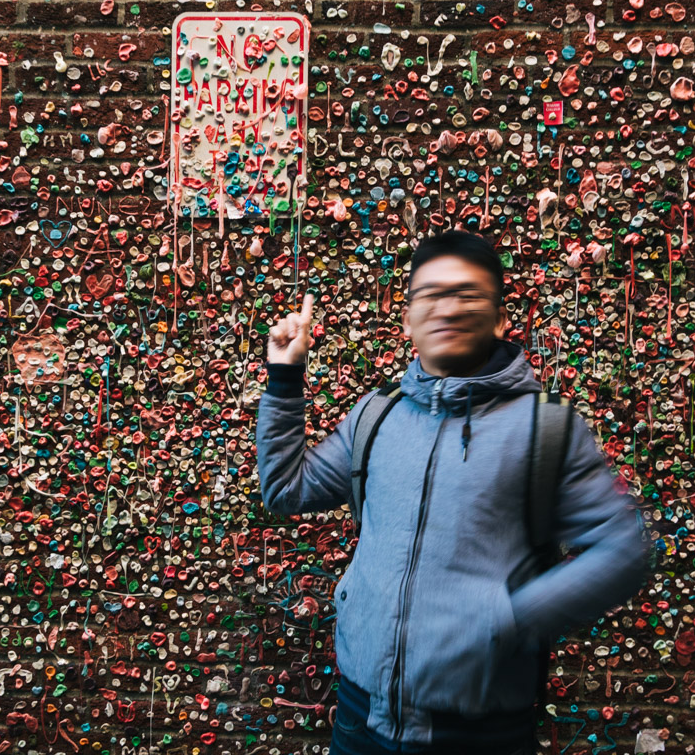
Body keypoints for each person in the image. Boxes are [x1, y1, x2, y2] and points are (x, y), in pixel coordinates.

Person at [257, 230, 651, 754]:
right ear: (408, 319)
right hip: (358, 717)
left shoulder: (546, 428)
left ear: (500, 317)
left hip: (480, 730)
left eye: (467, 294)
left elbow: (624, 548)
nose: (448, 308)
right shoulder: (377, 416)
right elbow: (286, 489)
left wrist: (507, 620)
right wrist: (285, 378)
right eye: (431, 295)